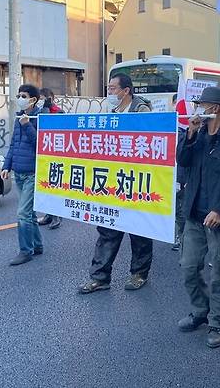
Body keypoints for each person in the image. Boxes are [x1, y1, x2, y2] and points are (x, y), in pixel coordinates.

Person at [176, 86, 220, 348]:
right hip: (194, 215)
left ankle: (216, 322)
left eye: (202, 105)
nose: (198, 110)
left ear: (215, 109)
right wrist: (191, 133)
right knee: (189, 266)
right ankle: (200, 311)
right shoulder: (196, 135)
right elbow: (181, 161)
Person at [79, 73, 153, 294]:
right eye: (109, 89)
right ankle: (100, 277)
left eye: (112, 89)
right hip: (113, 182)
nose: (109, 93)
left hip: (136, 181)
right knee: (107, 230)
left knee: (139, 231)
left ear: (126, 91)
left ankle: (139, 274)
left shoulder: (143, 112)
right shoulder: (110, 113)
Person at [2, 84, 44, 266]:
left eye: (23, 95)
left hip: (33, 173)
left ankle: (25, 251)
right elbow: (14, 144)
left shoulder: (40, 117)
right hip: (19, 172)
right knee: (29, 213)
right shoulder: (19, 116)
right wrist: (7, 165)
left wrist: (27, 125)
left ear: (33, 100)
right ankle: (37, 244)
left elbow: (41, 144)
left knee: (22, 214)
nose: (20, 98)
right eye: (19, 95)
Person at [36, 88, 64, 230]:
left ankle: (57, 216)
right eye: (40, 98)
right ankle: (48, 214)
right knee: (46, 186)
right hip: (43, 156)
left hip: (57, 156)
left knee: (55, 187)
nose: (41, 101)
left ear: (51, 99)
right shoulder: (40, 112)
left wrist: (48, 108)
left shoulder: (58, 112)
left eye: (43, 98)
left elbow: (50, 127)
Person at [173, 93, 187, 252]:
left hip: (183, 179)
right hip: (170, 177)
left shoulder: (187, 132)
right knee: (177, 210)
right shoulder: (169, 129)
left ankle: (182, 236)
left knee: (183, 211)